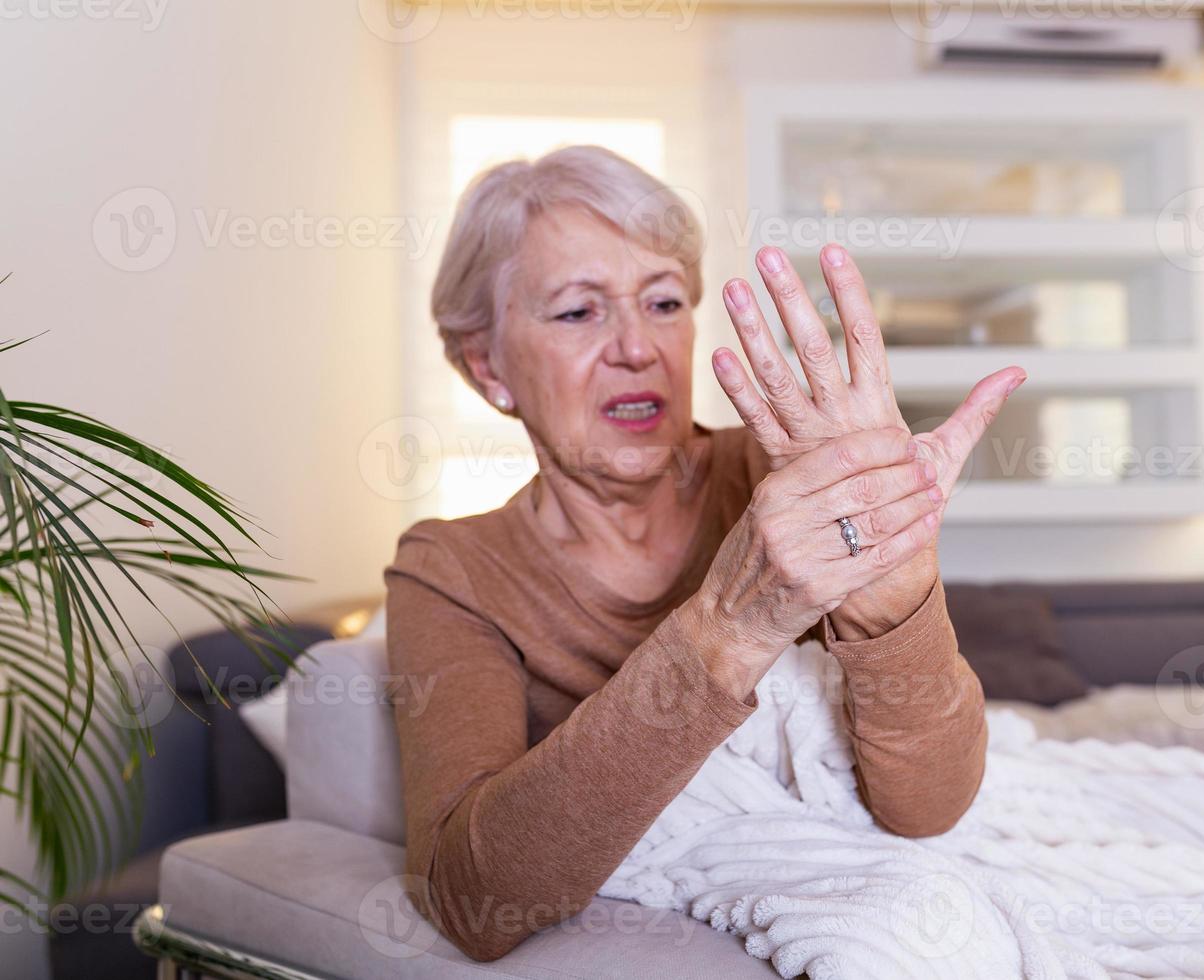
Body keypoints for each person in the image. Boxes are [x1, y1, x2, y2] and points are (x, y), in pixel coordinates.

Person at [384, 145, 1025, 961]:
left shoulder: (785, 479)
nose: (636, 347)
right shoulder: (454, 571)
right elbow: (477, 901)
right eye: (579, 312)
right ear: (487, 365)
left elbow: (928, 811)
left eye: (663, 302)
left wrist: (897, 593)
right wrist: (729, 626)